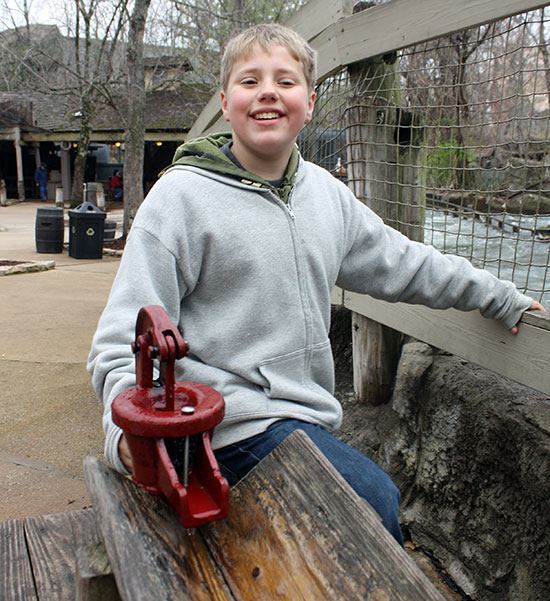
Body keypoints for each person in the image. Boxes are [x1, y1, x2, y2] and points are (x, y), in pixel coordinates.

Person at [88, 24, 544, 546]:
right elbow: (120, 341)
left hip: (304, 416)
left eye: (285, 81)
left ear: (307, 103)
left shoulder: (326, 196)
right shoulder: (181, 200)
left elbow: (409, 263)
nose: (267, 91)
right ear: (224, 102)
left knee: (359, 504)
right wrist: (126, 432)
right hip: (224, 425)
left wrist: (498, 295)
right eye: (249, 80)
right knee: (372, 503)